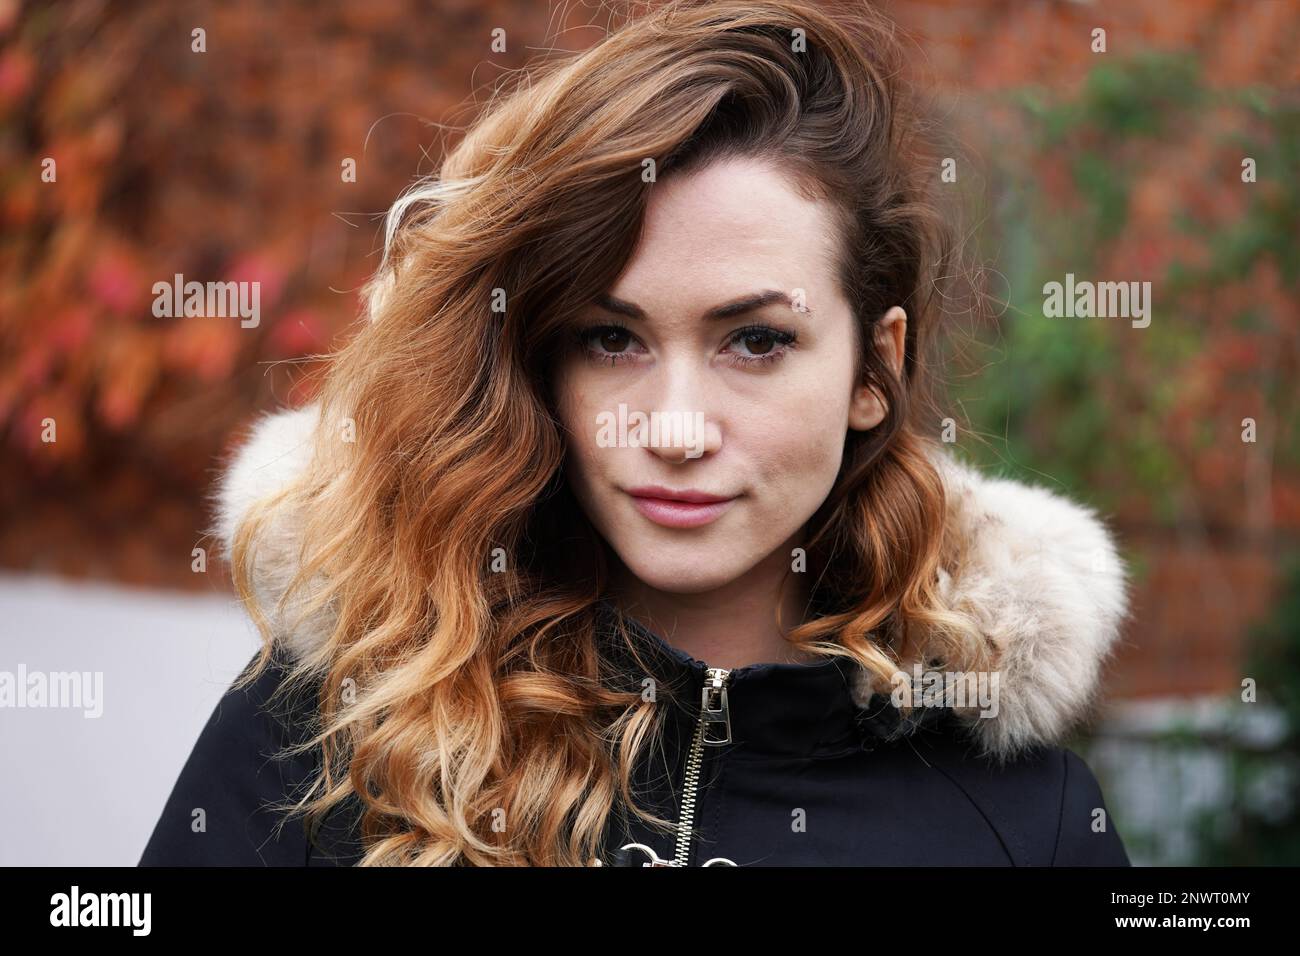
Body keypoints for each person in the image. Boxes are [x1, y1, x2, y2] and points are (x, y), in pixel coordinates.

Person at [140, 0, 1132, 867]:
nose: (673, 427)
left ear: (874, 368)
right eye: (611, 337)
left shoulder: (1024, 820)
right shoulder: (327, 731)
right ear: (538, 357)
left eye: (755, 339)